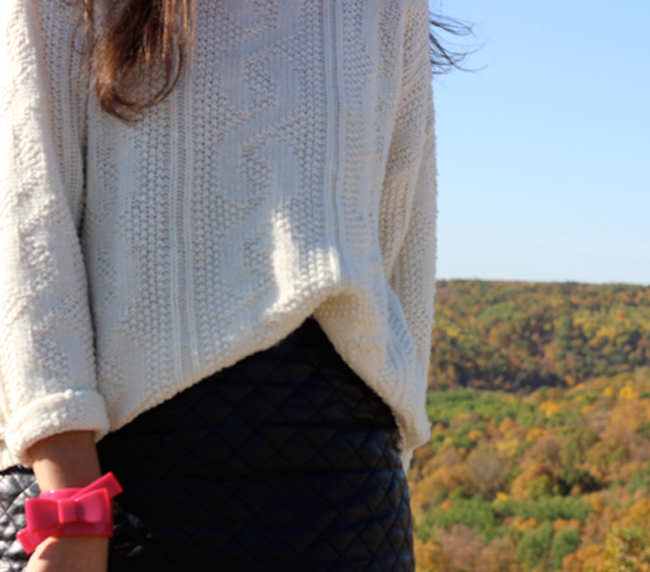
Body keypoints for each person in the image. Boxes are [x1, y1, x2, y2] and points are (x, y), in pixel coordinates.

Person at [0, 0, 445, 569]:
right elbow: (26, 225)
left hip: (345, 498)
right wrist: (72, 506)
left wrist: (387, 467)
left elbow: (402, 257)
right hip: (107, 485)